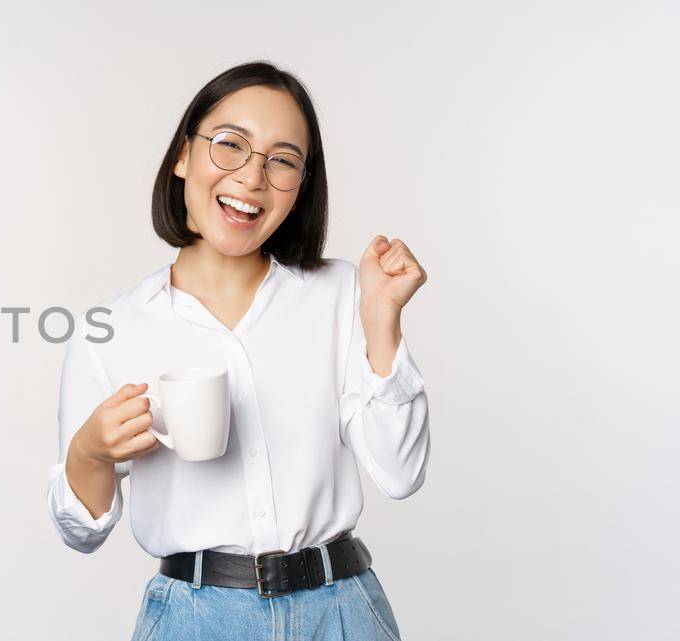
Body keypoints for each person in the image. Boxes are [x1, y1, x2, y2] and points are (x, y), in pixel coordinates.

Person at [46, 61, 430, 641]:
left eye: (282, 160)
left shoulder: (344, 294)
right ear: (183, 157)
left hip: (343, 611)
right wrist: (92, 453)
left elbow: (401, 474)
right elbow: (82, 533)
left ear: (301, 186)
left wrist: (382, 322)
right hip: (196, 620)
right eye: (230, 145)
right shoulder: (113, 329)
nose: (252, 178)